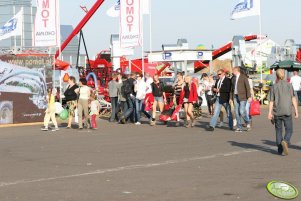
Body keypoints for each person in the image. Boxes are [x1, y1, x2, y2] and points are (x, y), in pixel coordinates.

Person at [268, 69, 299, 155]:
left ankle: (280, 149)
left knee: (278, 130)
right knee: (289, 129)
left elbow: (271, 101)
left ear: (276, 76)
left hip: (277, 111)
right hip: (287, 111)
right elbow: (293, 98)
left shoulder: (274, 86)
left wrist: (269, 113)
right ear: (284, 75)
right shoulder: (289, 85)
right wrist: (296, 111)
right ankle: (285, 141)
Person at [232, 67, 252, 132]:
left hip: (243, 96)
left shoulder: (243, 77)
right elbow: (232, 88)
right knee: (236, 112)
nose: (232, 72)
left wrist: (249, 96)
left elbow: (248, 87)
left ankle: (248, 122)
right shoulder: (233, 78)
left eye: (233, 71)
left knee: (242, 111)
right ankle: (239, 127)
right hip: (235, 96)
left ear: (237, 71)